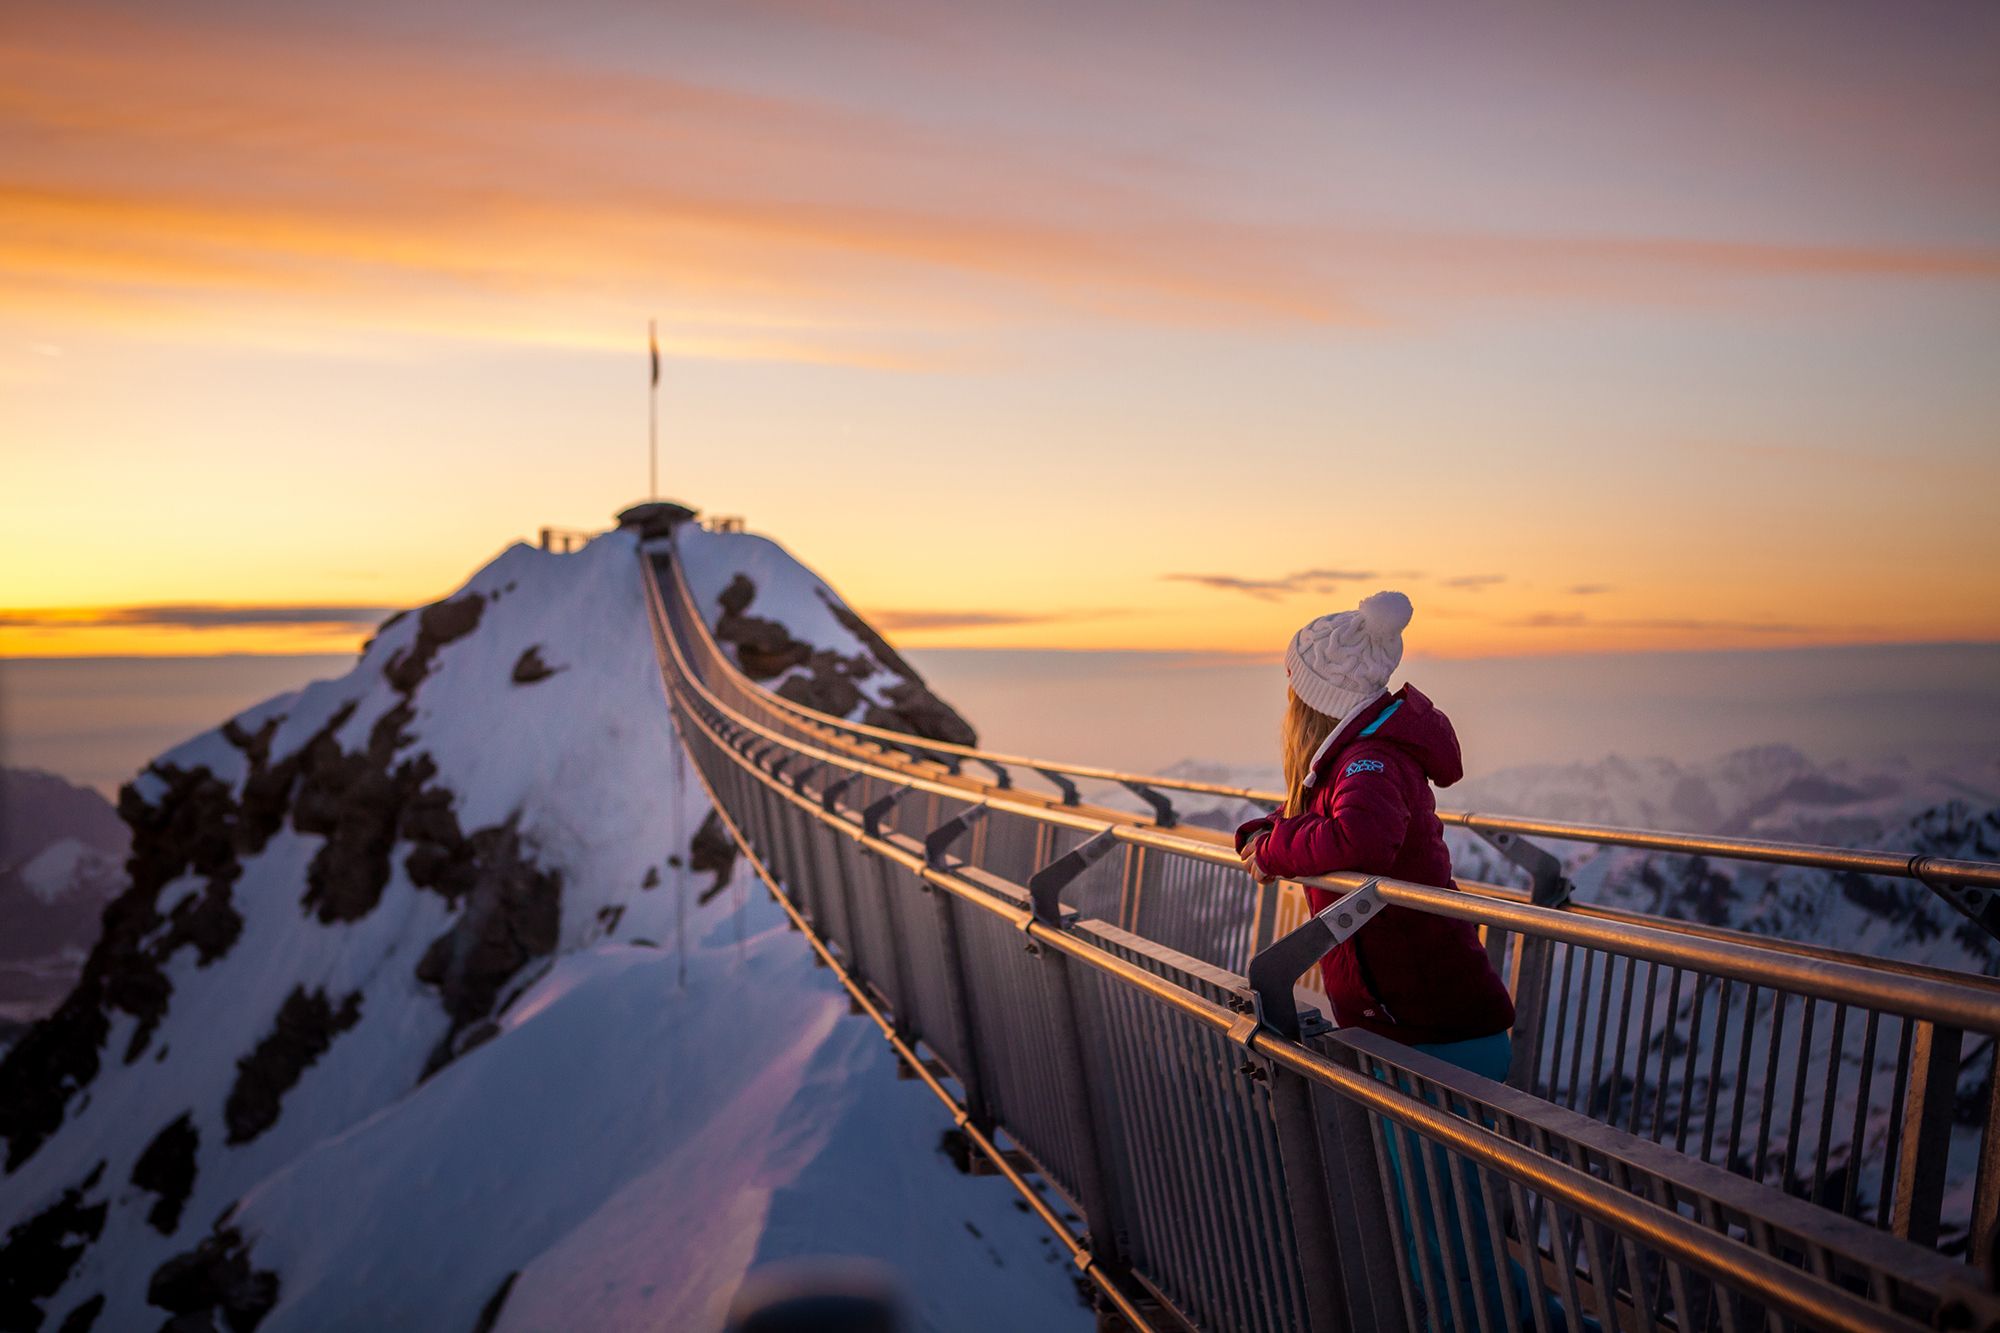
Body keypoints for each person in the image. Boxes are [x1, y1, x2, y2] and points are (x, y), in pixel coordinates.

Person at [1236, 590, 1523, 1328]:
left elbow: (1358, 840)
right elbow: (1332, 822)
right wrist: (1268, 830)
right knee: (1440, 1246)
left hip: (1439, 1034)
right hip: (1423, 1029)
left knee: (1454, 1253)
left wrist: (1274, 849)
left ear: (1313, 697)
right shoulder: (1361, 756)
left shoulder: (1367, 757)